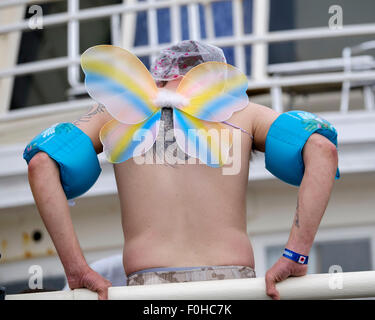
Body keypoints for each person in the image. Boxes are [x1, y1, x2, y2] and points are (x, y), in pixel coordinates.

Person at [24, 40, 339, 300]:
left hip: (149, 292)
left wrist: (76, 269)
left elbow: (41, 163)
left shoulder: (117, 112)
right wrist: (295, 256)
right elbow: (323, 149)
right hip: (231, 285)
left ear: (156, 77)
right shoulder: (242, 112)